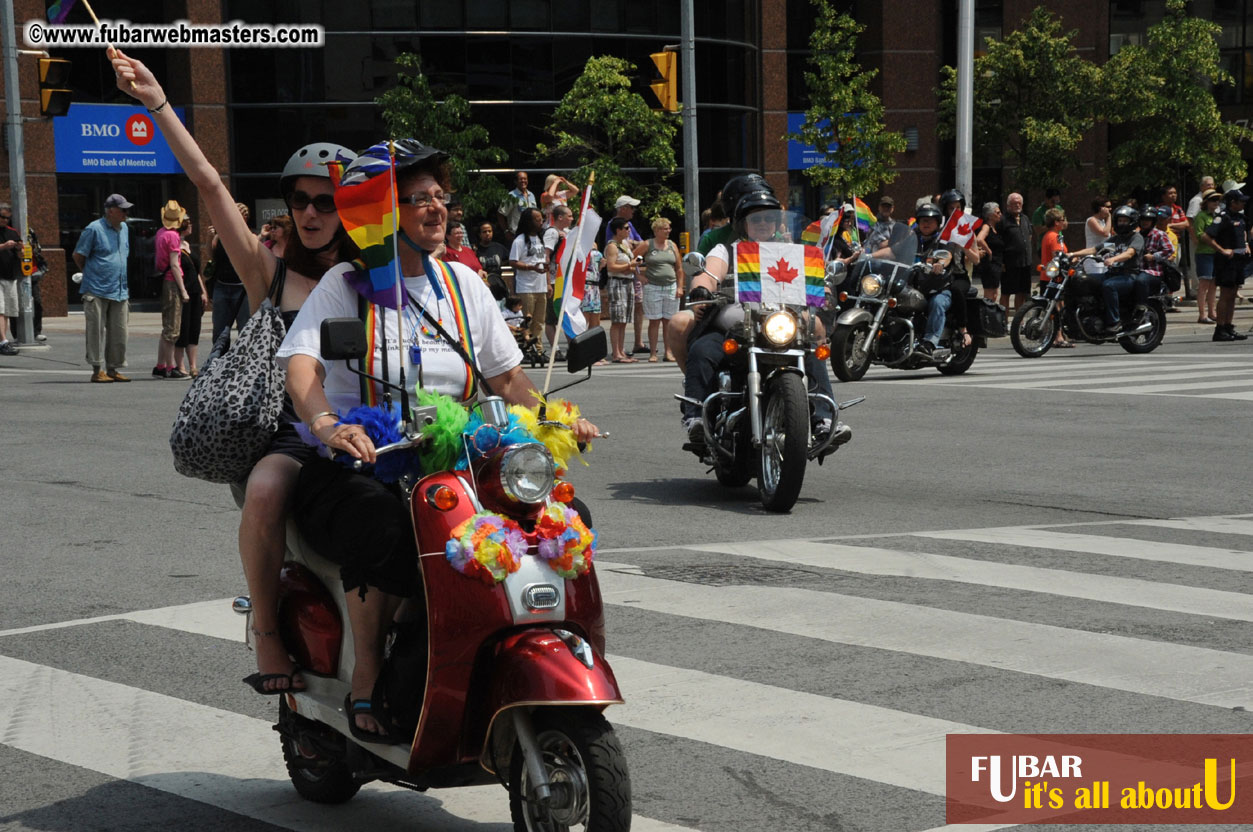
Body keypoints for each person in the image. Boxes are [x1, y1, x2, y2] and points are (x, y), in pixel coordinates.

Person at [277, 140, 598, 742]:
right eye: (416, 198)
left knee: (561, 514)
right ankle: (370, 672)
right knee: (382, 524)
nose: (435, 209)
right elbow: (302, 365)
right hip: (365, 463)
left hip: (455, 463)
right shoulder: (346, 284)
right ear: (381, 211)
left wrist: (558, 417)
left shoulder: (464, 284)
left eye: (439, 197)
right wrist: (327, 424)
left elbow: (506, 378)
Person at [114, 49, 362, 699]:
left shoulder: (373, 277)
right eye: (300, 200)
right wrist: (158, 104)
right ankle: (272, 630)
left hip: (374, 430)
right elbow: (208, 184)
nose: (310, 212)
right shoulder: (269, 272)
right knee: (264, 493)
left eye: (326, 202)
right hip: (291, 435)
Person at [681, 187, 845, 449]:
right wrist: (702, 286)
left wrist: (824, 293)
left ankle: (823, 421)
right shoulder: (728, 251)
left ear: (777, 223)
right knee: (702, 349)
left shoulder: (792, 252)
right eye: (755, 219)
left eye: (768, 218)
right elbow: (710, 272)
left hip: (781, 325)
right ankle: (696, 418)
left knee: (813, 350)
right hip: (735, 327)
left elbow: (817, 278)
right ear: (743, 223)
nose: (763, 223)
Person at [73, 193, 132, 382]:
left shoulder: (124, 229)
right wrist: (90, 273)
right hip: (96, 289)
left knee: (119, 332)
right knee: (95, 332)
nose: (126, 213)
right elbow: (78, 255)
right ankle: (97, 369)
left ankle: (113, 368)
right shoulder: (94, 229)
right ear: (111, 211)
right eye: (123, 210)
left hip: (120, 289)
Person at [1068, 205, 1147, 335]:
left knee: (1109, 286)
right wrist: (1072, 254)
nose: (1122, 223)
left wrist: (1114, 259)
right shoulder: (1115, 240)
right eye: (1120, 221)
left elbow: (1129, 253)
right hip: (1111, 274)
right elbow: (1095, 249)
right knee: (1081, 280)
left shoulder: (1136, 238)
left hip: (1128, 275)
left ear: (1132, 222)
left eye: (1125, 221)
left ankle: (1115, 322)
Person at [913, 202, 975, 356]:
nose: (926, 223)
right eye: (923, 220)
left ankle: (929, 342)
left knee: (937, 303)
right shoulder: (913, 238)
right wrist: (871, 255)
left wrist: (940, 264)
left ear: (937, 222)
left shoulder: (944, 240)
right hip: (916, 285)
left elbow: (947, 255)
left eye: (930, 220)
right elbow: (894, 248)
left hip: (939, 287)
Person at [1200, 188, 1250, 342]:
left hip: (1239, 259)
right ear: (1232, 203)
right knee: (1225, 294)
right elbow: (1206, 236)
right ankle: (1220, 328)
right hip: (1226, 261)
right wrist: (1222, 250)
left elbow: (1243, 232)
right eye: (1240, 201)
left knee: (1233, 294)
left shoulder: (1240, 217)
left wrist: (1246, 243)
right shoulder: (1223, 217)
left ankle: (1228, 326)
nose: (1243, 204)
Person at [604, 195, 647, 354]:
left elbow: (641, 245)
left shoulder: (624, 244)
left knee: (624, 318)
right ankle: (616, 352)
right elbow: (612, 265)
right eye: (626, 229)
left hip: (628, 279)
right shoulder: (613, 244)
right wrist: (630, 264)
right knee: (618, 319)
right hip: (617, 282)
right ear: (619, 230)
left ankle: (622, 350)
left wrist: (635, 263)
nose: (629, 231)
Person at [154, 200, 190, 379]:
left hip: (164, 279)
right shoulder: (174, 237)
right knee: (173, 329)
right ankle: (170, 367)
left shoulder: (160, 233)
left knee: (166, 326)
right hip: (172, 282)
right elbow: (175, 265)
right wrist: (183, 290)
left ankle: (161, 365)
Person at [207, 203, 252, 348]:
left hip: (242, 289)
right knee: (219, 331)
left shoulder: (249, 236)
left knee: (244, 329)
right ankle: (219, 362)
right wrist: (210, 238)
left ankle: (243, 363)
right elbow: (211, 255)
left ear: (244, 218)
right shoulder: (220, 235)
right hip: (222, 286)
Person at [640, 216, 682, 362]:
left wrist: (680, 287)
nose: (668, 231)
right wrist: (639, 277)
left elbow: (679, 268)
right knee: (654, 320)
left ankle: (668, 352)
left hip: (671, 286)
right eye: (665, 228)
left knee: (668, 321)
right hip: (652, 286)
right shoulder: (647, 244)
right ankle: (653, 353)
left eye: (669, 228)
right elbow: (632, 260)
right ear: (657, 230)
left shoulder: (672, 245)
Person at [173, 216, 208, 377]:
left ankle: (193, 365)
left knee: (195, 328)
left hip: (195, 290)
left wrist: (203, 291)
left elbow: (197, 272)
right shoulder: (175, 246)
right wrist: (182, 291)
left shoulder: (188, 245)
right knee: (183, 328)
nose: (191, 225)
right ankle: (180, 366)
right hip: (183, 292)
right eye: (188, 222)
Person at [509, 207, 548, 348]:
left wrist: (548, 284)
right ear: (528, 222)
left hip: (541, 286)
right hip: (526, 287)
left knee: (539, 321)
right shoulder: (519, 241)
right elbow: (513, 261)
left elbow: (544, 262)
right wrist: (531, 267)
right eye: (537, 219)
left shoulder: (541, 239)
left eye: (541, 219)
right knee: (527, 320)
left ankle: (538, 348)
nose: (541, 222)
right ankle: (526, 348)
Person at [542, 205, 573, 354]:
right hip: (554, 280)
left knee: (565, 315)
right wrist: (548, 283)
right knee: (552, 317)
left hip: (565, 279)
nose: (572, 219)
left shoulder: (567, 233)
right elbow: (546, 258)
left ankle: (572, 347)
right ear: (560, 217)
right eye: (570, 216)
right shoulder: (552, 233)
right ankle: (556, 350)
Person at [998, 192, 1032, 316]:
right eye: (1014, 203)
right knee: (1006, 293)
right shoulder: (1002, 221)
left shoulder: (1025, 218)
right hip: (1009, 264)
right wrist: (1001, 262)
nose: (1017, 205)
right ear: (1008, 206)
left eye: (1019, 203)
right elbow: (998, 242)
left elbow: (1029, 236)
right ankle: (1004, 321)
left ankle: (1019, 322)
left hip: (1025, 263)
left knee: (1022, 293)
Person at [1192, 189, 1222, 324]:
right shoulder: (1201, 216)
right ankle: (1202, 314)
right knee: (1204, 284)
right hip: (1204, 253)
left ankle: (1212, 312)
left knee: (1214, 284)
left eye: (1217, 200)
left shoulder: (1217, 216)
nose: (1216, 202)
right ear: (1206, 202)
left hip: (1215, 254)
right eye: (1213, 200)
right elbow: (1199, 234)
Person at [0, 203, 22, 356]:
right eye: (2, 217)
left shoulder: (13, 232)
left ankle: (3, 341)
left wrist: (20, 250)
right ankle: (3, 341)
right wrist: (3, 246)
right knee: (0, 310)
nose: (5, 220)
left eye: (8, 218)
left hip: (10, 275)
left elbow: (20, 255)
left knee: (6, 311)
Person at [974, 202, 1004, 305]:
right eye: (997, 212)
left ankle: (991, 316)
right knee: (989, 293)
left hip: (996, 264)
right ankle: (986, 317)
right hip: (989, 265)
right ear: (990, 215)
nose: (1000, 214)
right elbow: (979, 239)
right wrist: (989, 251)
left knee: (995, 293)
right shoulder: (986, 227)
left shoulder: (995, 228)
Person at [474, 221, 510, 301]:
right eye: (484, 232)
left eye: (489, 231)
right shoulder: (475, 249)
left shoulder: (499, 247)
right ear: (479, 234)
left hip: (498, 285)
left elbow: (508, 260)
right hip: (483, 285)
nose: (487, 233)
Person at [497, 170, 537, 238]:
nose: (523, 181)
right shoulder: (511, 196)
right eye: (520, 179)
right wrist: (506, 231)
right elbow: (500, 214)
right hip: (515, 234)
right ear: (515, 181)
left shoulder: (531, 195)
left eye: (525, 179)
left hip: (530, 234)